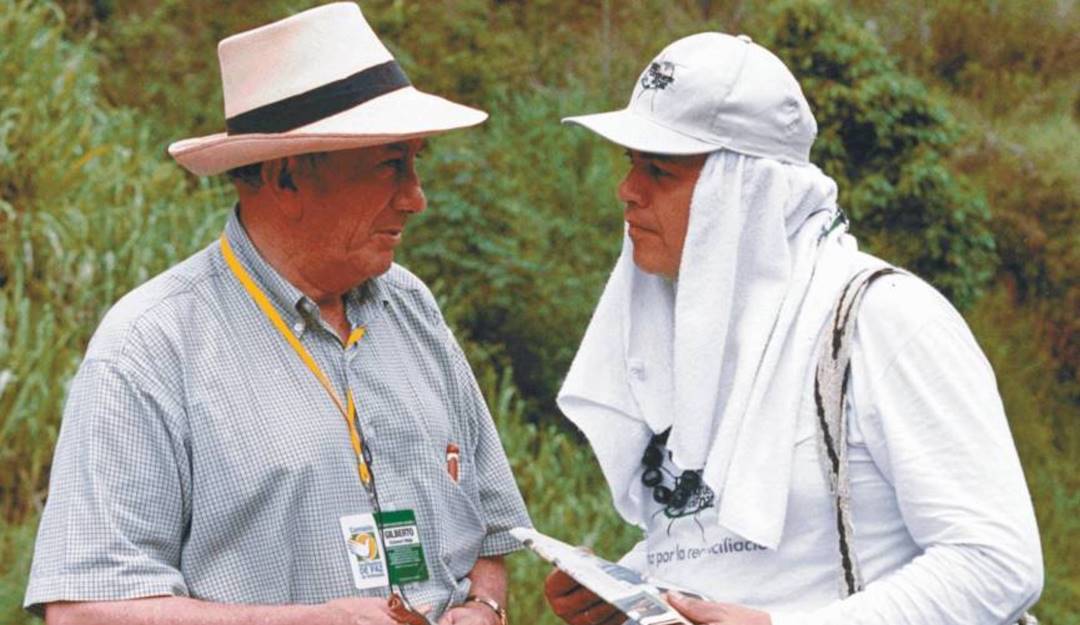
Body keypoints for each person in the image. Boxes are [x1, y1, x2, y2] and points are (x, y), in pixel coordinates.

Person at [24, 4, 530, 625]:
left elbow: (492, 536)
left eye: (416, 163)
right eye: (391, 166)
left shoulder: (411, 306)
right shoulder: (152, 346)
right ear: (287, 177)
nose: (416, 197)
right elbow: (82, 611)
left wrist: (483, 606)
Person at [544, 33, 1042, 625]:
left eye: (660, 170)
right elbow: (738, 546)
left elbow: (997, 563)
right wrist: (634, 585)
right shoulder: (685, 330)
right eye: (631, 165)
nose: (628, 191)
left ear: (748, 190)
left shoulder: (883, 321)